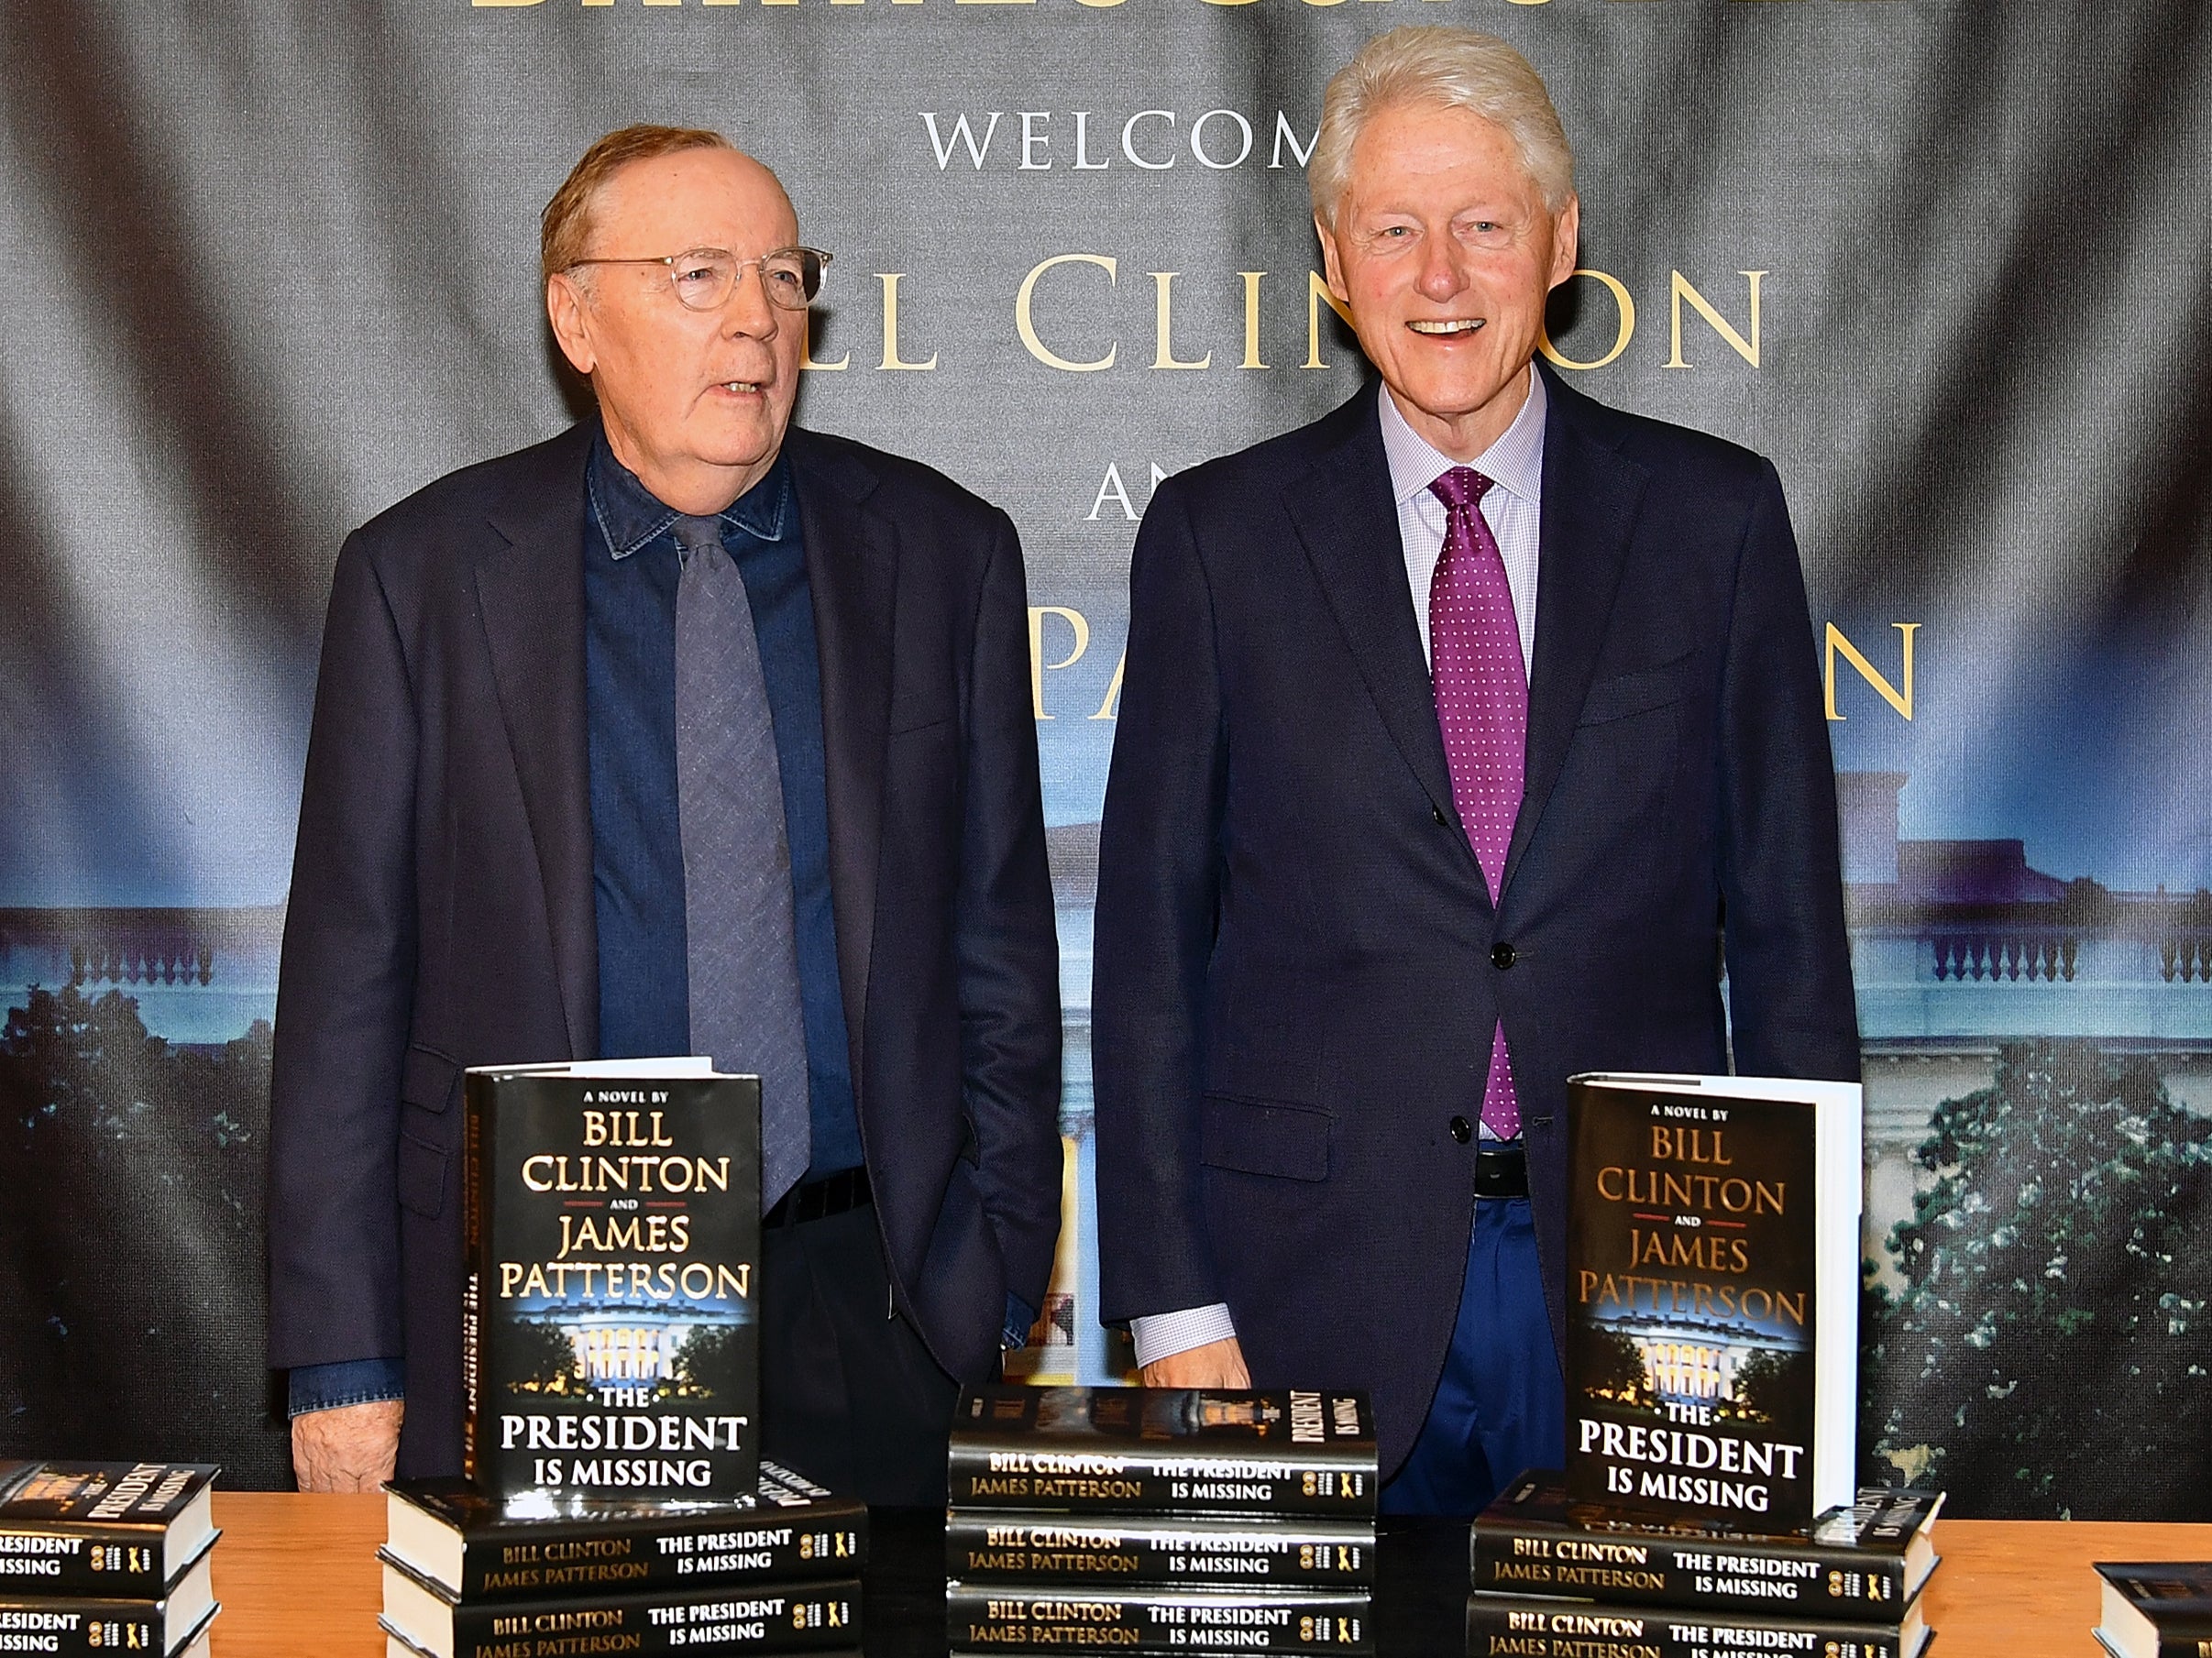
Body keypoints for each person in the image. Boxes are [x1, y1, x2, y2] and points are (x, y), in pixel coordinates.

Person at [1091, 27, 1859, 1516]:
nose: (1439, 275)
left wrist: (1792, 1290)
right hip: (1303, 1285)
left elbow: (1786, 945)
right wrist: (1172, 1306)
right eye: (1393, 229)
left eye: (1484, 225)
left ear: (1560, 243)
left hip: (1656, 1282)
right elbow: (1148, 955)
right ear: (1331, 259)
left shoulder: (1714, 520)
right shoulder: (1216, 539)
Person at [267, 126, 1062, 1505]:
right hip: (546, 1302)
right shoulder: (423, 577)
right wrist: (343, 1358)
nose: (755, 317)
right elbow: (348, 990)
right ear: (577, 317)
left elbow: (999, 949)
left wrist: (991, 1281)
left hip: (874, 1302)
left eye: (779, 275)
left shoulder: (942, 553)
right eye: (699, 275)